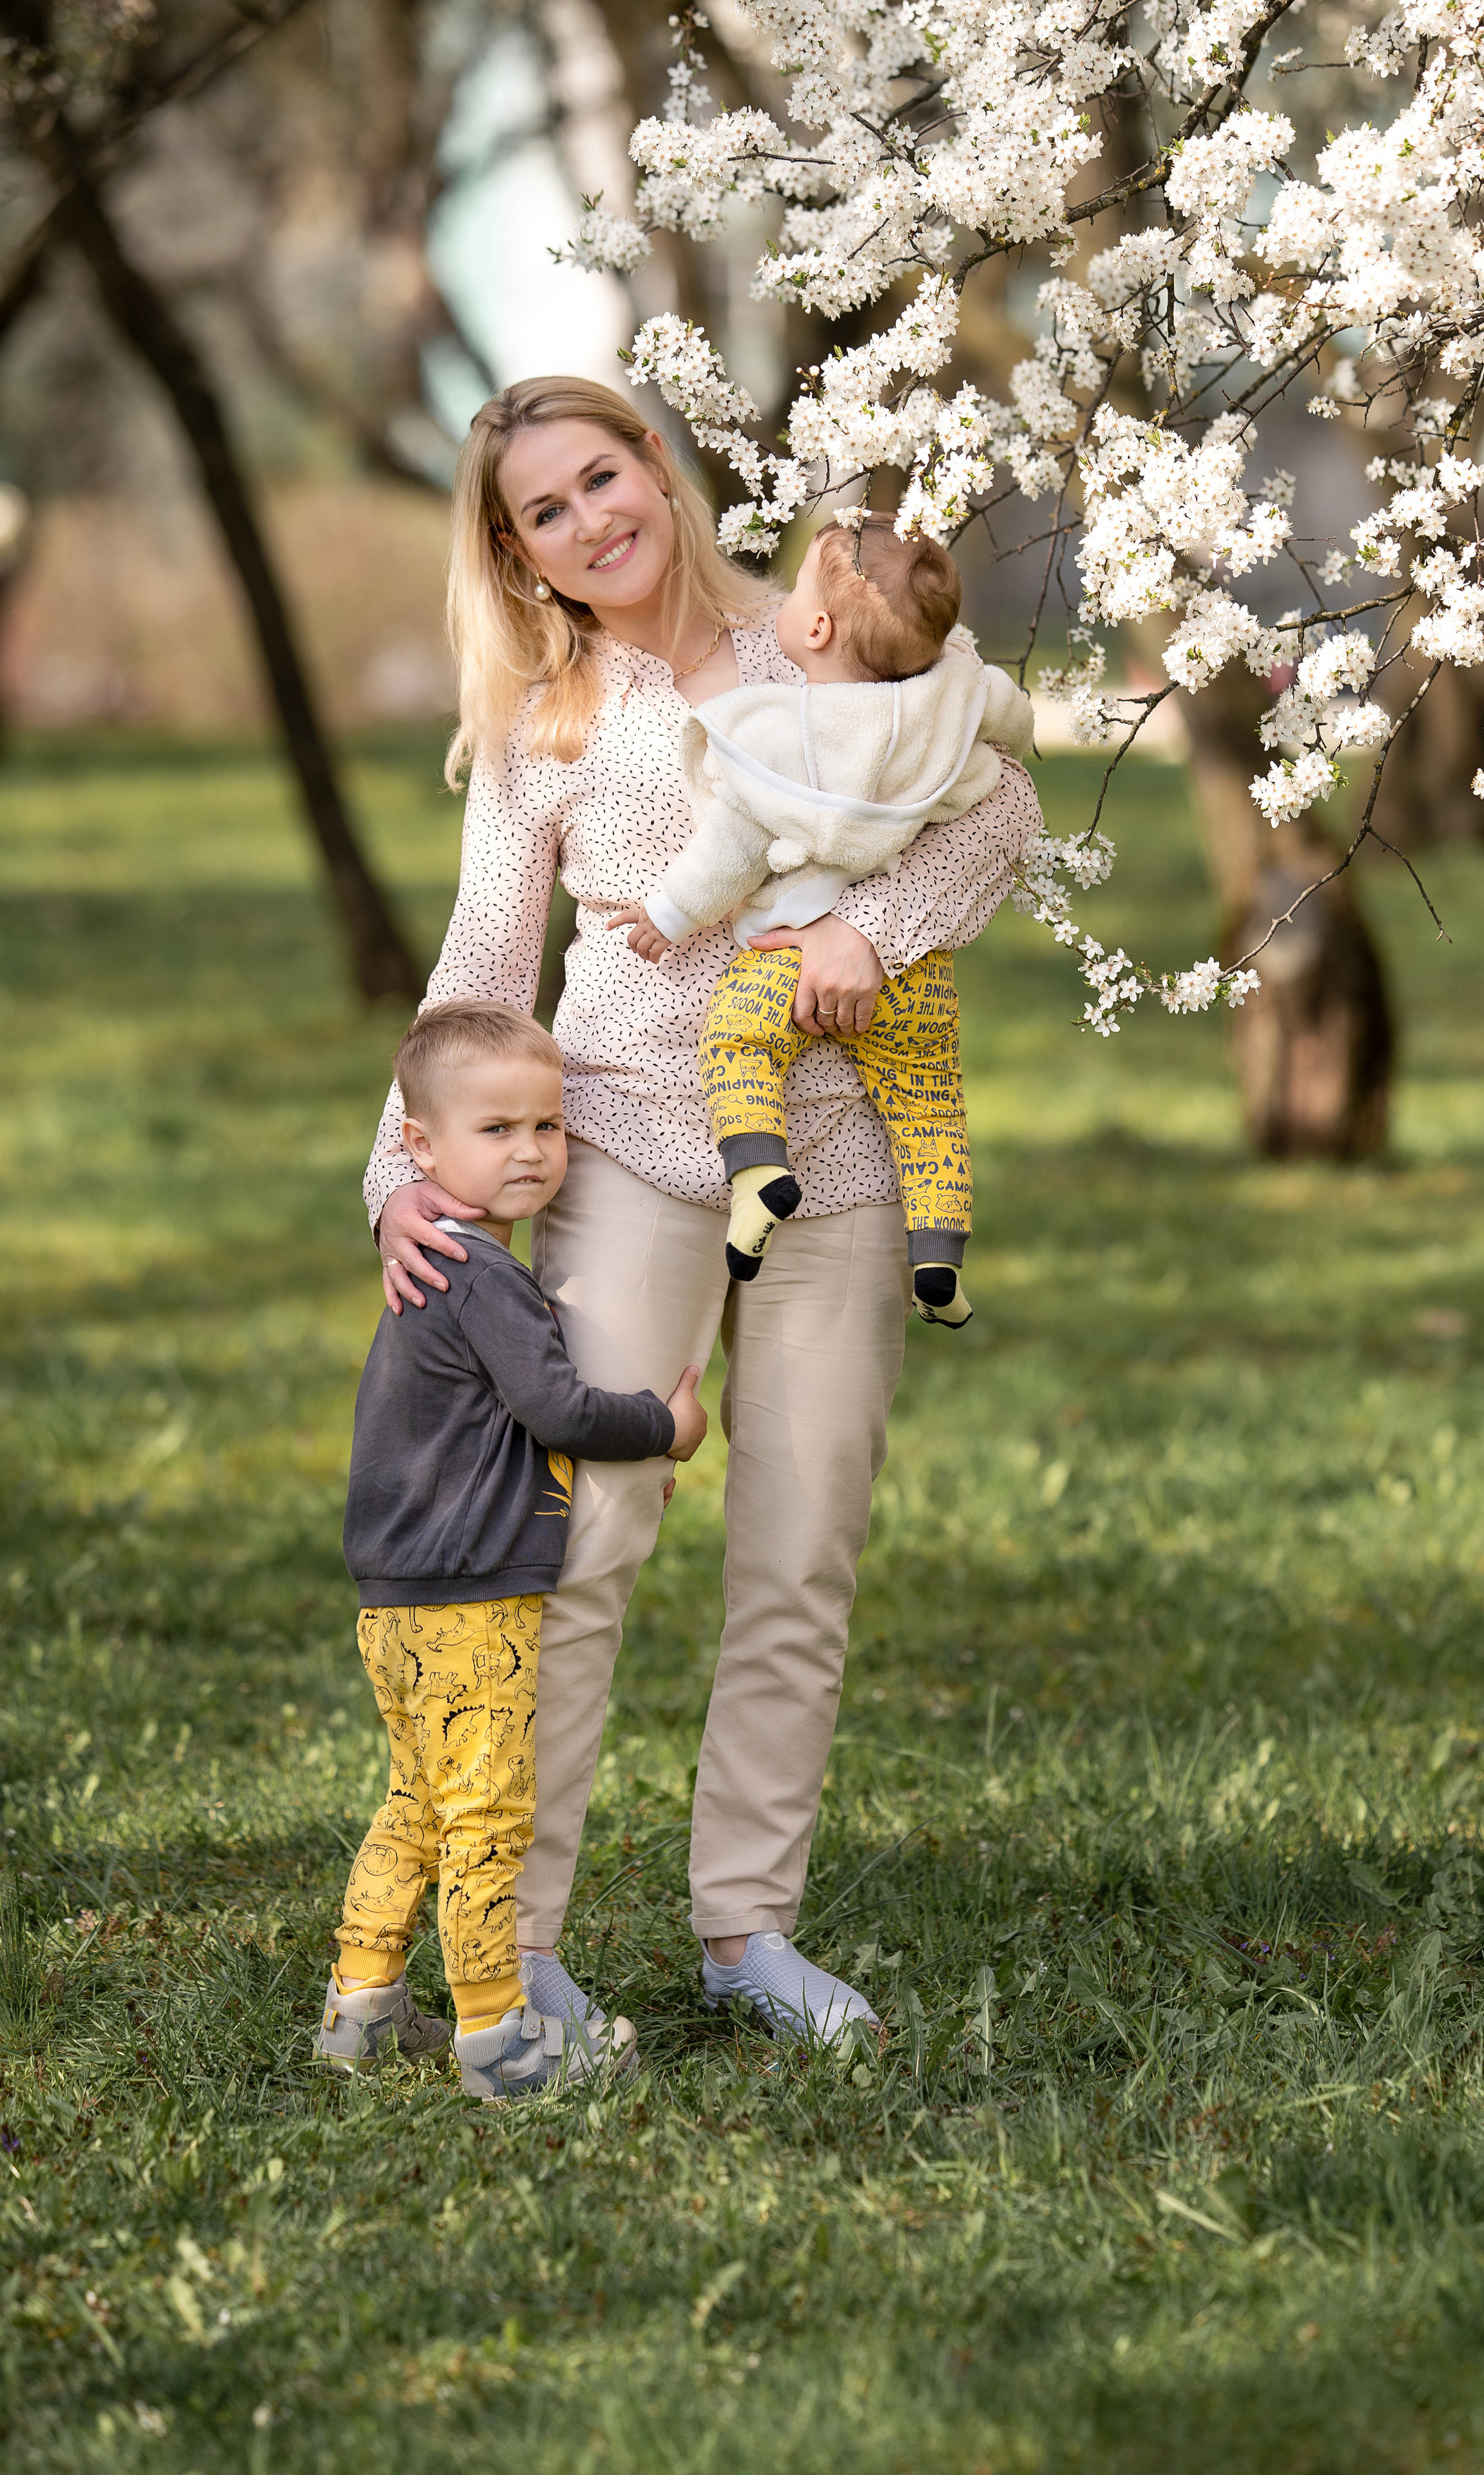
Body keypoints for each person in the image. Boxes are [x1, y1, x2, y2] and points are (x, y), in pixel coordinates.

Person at [368, 374, 1043, 2050]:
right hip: (630, 1143)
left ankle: (746, 1935)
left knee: (801, 1543)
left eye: (606, 476)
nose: (590, 518)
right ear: (520, 556)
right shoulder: (547, 727)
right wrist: (399, 1171)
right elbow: (476, 972)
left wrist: (873, 930)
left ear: (659, 472)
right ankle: (513, 1945)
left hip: (845, 1161)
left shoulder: (838, 626)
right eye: (546, 510)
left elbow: (1008, 810)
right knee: (586, 1534)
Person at [320, 997, 707, 2101]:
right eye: (498, 1131)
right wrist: (663, 1427)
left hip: (397, 1598)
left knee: (416, 1805)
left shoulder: (435, 1257)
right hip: (470, 1602)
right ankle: (501, 2041)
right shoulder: (485, 1275)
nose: (532, 1151)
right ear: (419, 1147)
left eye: (548, 1126)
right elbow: (560, 1409)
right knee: (486, 1820)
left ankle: (362, 2008)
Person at [608, 512, 1034, 1329]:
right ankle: (939, 1254)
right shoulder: (955, 691)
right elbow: (1011, 726)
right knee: (930, 1100)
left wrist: (669, 914)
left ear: (815, 625)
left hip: (784, 962)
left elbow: (732, 844)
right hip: (919, 978)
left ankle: (759, 1174)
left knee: (737, 1040)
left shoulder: (786, 734)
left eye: (801, 583)